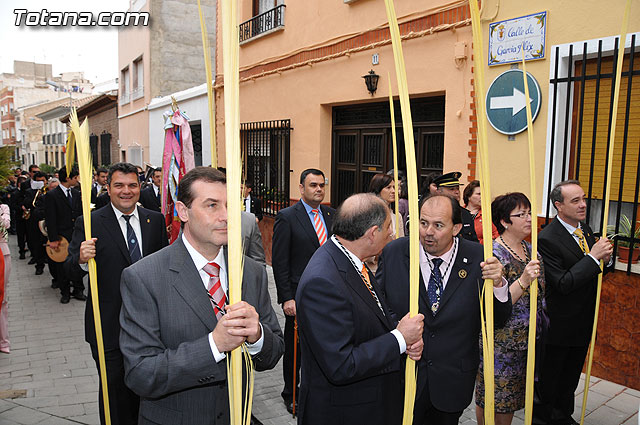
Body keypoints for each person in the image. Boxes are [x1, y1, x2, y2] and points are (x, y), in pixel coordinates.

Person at [119, 167, 284, 424]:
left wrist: (258, 335)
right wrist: (214, 345)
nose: (226, 216)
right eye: (212, 205)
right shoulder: (143, 277)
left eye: (230, 205)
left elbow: (272, 354)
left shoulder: (250, 272)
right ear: (183, 211)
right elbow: (141, 374)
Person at [376, 194, 512, 425]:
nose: (428, 231)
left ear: (456, 228)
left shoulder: (479, 257)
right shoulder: (396, 253)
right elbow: (379, 307)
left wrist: (498, 285)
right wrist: (399, 334)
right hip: (404, 375)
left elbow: (497, 320)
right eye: (423, 223)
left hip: (452, 380)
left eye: (438, 225)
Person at [296, 193, 424, 425]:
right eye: (388, 228)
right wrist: (399, 339)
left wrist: (401, 335)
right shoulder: (323, 281)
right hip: (344, 413)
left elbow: (371, 314)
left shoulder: (348, 259)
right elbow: (341, 364)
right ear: (372, 233)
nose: (392, 234)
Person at [66, 163, 168, 425]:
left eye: (132, 185)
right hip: (108, 327)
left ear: (140, 187)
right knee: (114, 392)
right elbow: (69, 273)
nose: (126, 191)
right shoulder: (89, 223)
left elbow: (165, 269)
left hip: (150, 326)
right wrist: (79, 259)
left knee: (148, 389)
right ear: (108, 188)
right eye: (119, 185)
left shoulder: (154, 220)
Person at [533, 180, 613, 425]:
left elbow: (590, 271)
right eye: (575, 200)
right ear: (558, 205)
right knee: (551, 379)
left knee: (570, 376)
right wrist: (593, 257)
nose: (583, 205)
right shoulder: (547, 238)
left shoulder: (585, 230)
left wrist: (605, 261)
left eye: (584, 199)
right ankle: (545, 419)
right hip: (558, 325)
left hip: (582, 320)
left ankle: (563, 415)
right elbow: (563, 283)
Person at [475, 192, 545, 425]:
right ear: (504, 221)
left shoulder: (531, 250)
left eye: (529, 213)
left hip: (527, 341)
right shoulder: (493, 255)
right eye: (521, 214)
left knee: (513, 399)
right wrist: (524, 280)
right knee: (494, 399)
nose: (528, 219)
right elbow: (494, 304)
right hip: (500, 341)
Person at [271, 168, 335, 413]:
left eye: (321, 185)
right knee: (295, 348)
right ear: (301, 188)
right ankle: (291, 393)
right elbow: (280, 261)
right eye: (313, 185)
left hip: (328, 296)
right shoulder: (287, 216)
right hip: (299, 297)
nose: (319, 189)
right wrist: (286, 297)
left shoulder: (331, 214)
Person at [44, 167, 85, 304]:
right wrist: (53, 239)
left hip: (76, 234)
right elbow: (50, 219)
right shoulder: (52, 195)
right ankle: (65, 292)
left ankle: (78, 289)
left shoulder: (76, 193)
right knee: (62, 265)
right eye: (75, 178)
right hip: (62, 236)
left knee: (78, 262)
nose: (77, 180)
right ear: (68, 178)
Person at [432, 172, 479, 243]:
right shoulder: (431, 213)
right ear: (439, 192)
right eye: (451, 189)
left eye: (457, 188)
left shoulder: (466, 214)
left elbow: (474, 242)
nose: (457, 192)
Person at [22, 172, 48, 275]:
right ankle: (39, 265)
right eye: (38, 181)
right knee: (37, 244)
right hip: (36, 221)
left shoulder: (51, 190)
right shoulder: (30, 191)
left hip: (48, 220)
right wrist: (35, 194)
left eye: (42, 181)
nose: (40, 183)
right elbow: (28, 204)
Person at [368, 173, 404, 238]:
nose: (393, 191)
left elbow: (400, 241)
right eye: (388, 187)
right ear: (378, 189)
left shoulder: (397, 216)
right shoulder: (369, 214)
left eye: (394, 187)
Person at [463, 180, 499, 244]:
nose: (482, 197)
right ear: (469, 196)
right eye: (479, 194)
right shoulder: (459, 213)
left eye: (483, 194)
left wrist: (480, 242)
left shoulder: (487, 214)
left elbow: (496, 235)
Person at [0, 202, 11, 354]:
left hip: (2, 254)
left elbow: (5, 224)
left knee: (1, 299)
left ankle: (4, 340)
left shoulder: (3, 208)